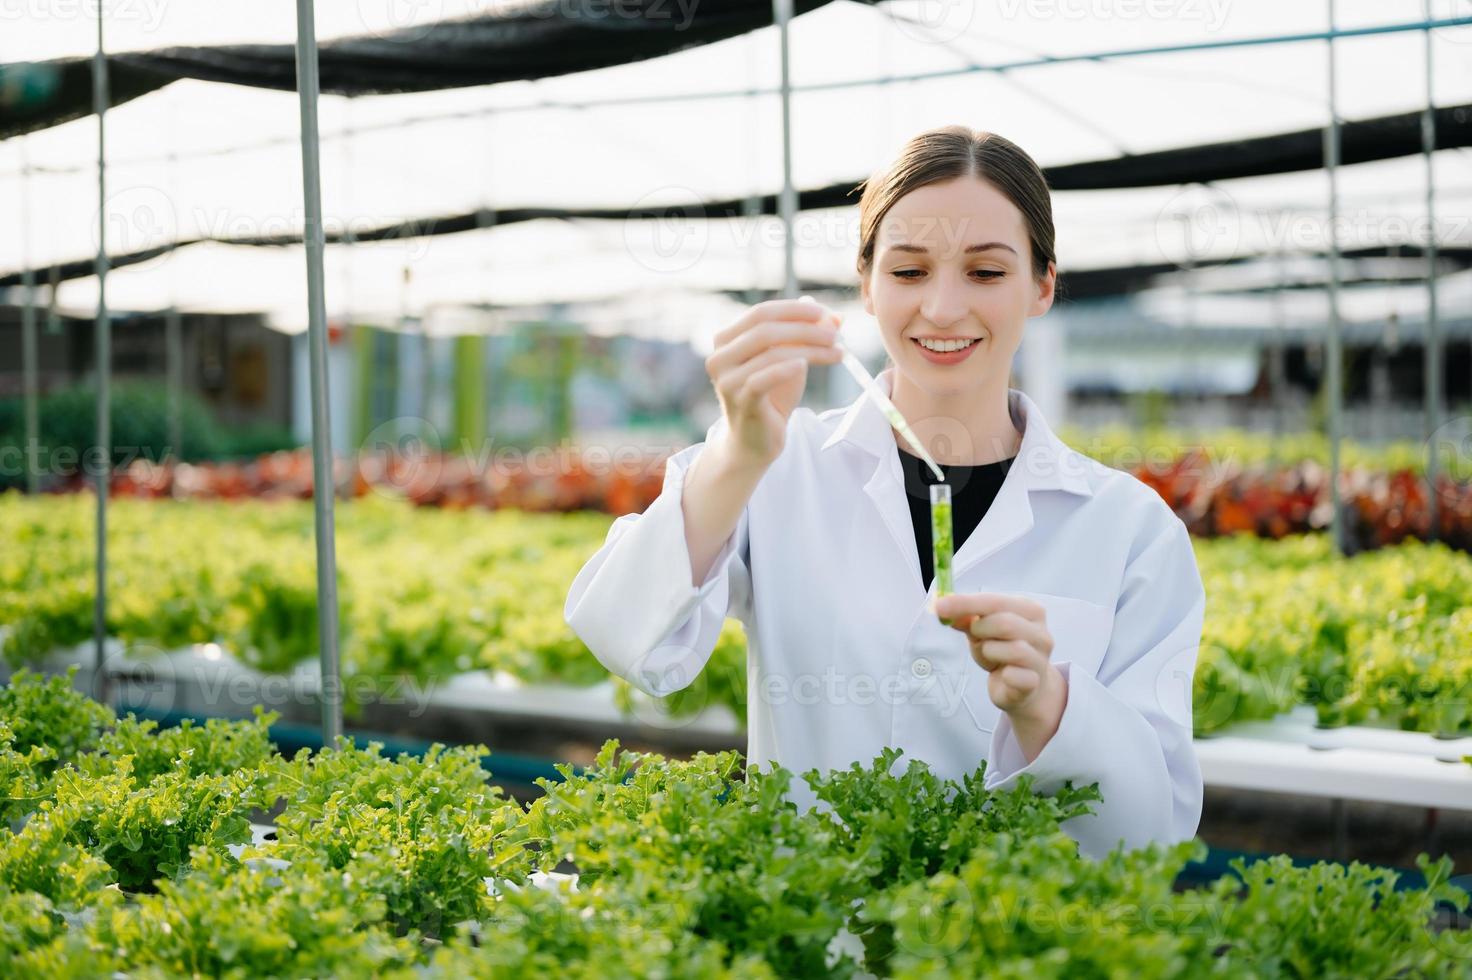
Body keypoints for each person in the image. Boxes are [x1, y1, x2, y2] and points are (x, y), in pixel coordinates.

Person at [565, 126, 1206, 860]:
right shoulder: (778, 466)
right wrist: (736, 456)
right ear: (865, 284)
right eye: (907, 272)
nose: (940, 307)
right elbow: (623, 636)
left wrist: (1051, 709)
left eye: (986, 273)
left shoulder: (1130, 531)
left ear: (1042, 285)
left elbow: (1153, 833)